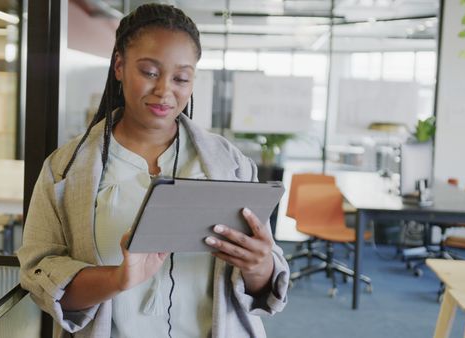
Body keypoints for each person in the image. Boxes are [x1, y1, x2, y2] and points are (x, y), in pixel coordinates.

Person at [18, 4, 289, 338]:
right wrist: (118, 279)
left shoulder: (231, 163)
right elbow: (40, 275)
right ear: (119, 66)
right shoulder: (64, 169)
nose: (164, 91)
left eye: (181, 78)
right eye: (149, 72)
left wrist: (259, 265)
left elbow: (265, 280)